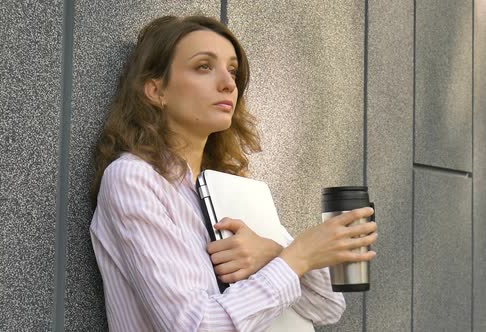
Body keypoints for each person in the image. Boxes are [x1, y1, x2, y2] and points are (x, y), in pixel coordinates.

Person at [89, 15, 378, 332]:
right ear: (156, 90)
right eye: (203, 66)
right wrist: (297, 256)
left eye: (232, 71)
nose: (228, 83)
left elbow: (327, 307)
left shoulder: (230, 192)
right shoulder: (133, 179)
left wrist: (273, 253)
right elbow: (197, 326)